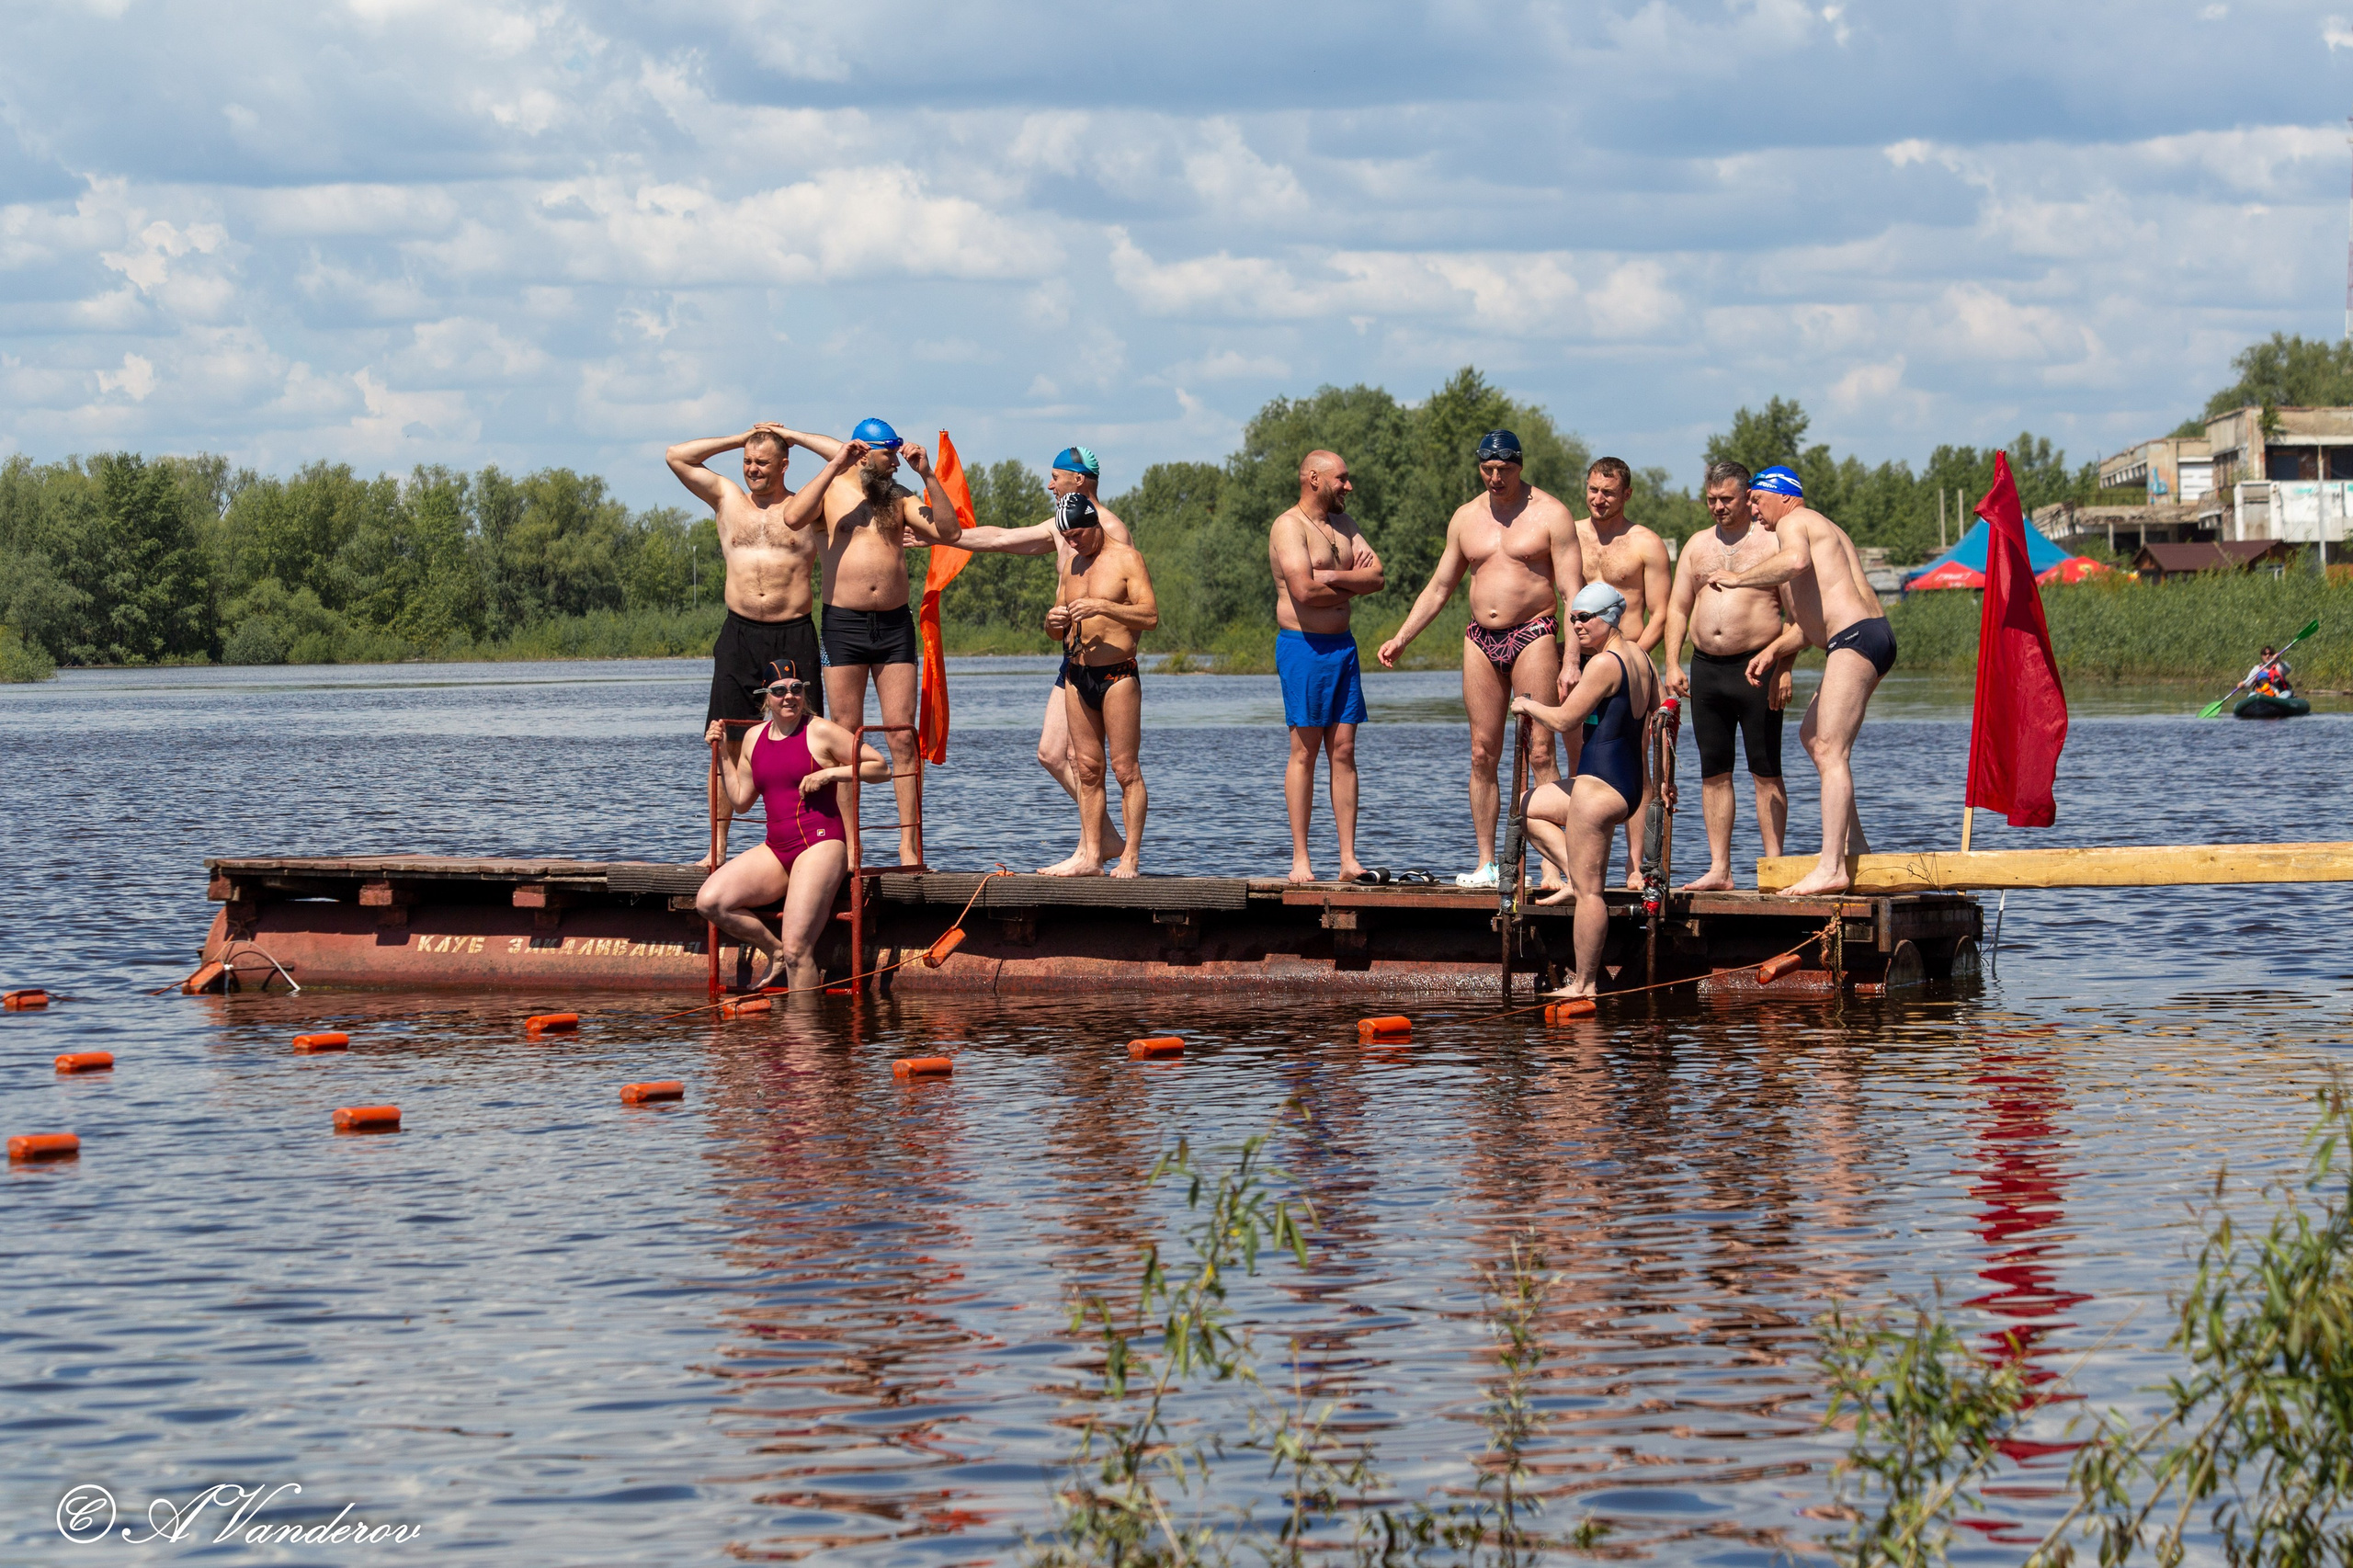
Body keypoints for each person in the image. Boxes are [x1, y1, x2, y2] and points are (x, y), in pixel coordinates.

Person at [1378, 429, 1583, 888]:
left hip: (1534, 632)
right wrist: (1402, 637)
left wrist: (1572, 659)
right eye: (1487, 469)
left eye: (1504, 469)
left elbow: (1572, 592)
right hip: (1480, 639)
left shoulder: (1552, 514)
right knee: (1481, 753)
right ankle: (1488, 863)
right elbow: (1439, 587)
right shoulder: (1465, 518)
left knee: (1541, 750)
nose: (1495, 478)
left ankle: (1553, 866)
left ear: (1520, 465)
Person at [779, 420, 965, 869]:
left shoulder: (899, 496)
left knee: (902, 736)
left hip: (894, 627)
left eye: (899, 455)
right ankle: (850, 847)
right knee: (845, 737)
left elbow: (949, 532)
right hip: (843, 626)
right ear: (865, 454)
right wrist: (834, 463)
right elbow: (792, 516)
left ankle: (909, 846)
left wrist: (927, 476)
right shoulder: (831, 491)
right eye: (890, 454)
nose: (896, 461)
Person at [1703, 465, 1894, 896]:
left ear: (1783, 495)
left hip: (1856, 638)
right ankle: (1856, 846)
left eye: (1756, 499)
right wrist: (1774, 651)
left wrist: (1737, 578)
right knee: (1814, 736)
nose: (1752, 510)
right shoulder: (1824, 528)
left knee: (1829, 748)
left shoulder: (1795, 522)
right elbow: (1811, 623)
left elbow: (1795, 561)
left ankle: (1831, 868)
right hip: (1867, 636)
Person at [950, 446, 1138, 874]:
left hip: (1106, 664)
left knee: (1096, 762)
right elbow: (998, 538)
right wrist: (941, 537)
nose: (1049, 484)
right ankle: (1102, 839)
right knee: (1053, 754)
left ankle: (1095, 850)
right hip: (1071, 656)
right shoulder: (1061, 525)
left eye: (1056, 477)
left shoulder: (1111, 531)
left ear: (1079, 480)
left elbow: (1134, 605)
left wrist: (1118, 660)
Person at [665, 420, 842, 869]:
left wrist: (797, 435)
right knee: (725, 740)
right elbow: (677, 456)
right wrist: (740, 437)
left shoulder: (811, 503)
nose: (752, 469)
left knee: (809, 739)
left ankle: (816, 840)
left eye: (762, 462)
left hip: (795, 631)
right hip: (739, 633)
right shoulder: (727, 498)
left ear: (784, 464)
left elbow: (848, 459)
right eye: (747, 461)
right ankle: (719, 844)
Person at [695, 659, 888, 994]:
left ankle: (804, 1037)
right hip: (777, 848)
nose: (789, 697)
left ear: (804, 694)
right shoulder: (754, 738)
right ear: (766, 697)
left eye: (797, 689)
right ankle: (774, 950)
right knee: (710, 901)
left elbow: (880, 767)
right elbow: (740, 801)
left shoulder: (820, 730)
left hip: (822, 845)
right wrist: (724, 753)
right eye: (780, 691)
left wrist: (830, 773)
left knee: (800, 948)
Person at [1506, 583, 1659, 999]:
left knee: (1592, 894)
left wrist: (1526, 705)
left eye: (1585, 617)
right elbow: (1659, 716)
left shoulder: (1606, 664)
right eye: (1572, 618)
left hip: (1599, 789)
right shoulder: (1643, 657)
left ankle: (1585, 983)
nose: (1576, 626)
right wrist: (1664, 783)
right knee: (1528, 808)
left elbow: (1564, 720)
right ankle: (1572, 873)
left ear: (1609, 617)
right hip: (1619, 782)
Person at [1660, 460, 1807, 890]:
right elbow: (1677, 608)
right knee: (1714, 770)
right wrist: (1672, 662)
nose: (1718, 507)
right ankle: (1719, 870)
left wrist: (1785, 667)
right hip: (1707, 669)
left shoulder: (1773, 542)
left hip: (1757, 669)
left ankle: (1774, 867)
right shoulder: (1697, 545)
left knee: (1765, 768)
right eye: (1711, 500)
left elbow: (1798, 620)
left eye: (1726, 499)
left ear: (1748, 497)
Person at [1270, 449, 1385, 882]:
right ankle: (1301, 859)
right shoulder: (1288, 526)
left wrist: (1333, 578)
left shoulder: (1345, 525)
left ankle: (1348, 860)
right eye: (1342, 479)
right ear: (1315, 479)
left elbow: (1378, 577)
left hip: (1343, 647)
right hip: (1303, 649)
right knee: (1305, 752)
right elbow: (1303, 591)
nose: (1348, 486)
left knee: (1345, 751)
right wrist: (1349, 582)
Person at [1043, 493, 1157, 878]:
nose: (1071, 543)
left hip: (1118, 676)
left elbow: (1151, 616)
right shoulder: (1073, 565)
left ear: (1093, 525)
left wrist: (1103, 607)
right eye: (1066, 537)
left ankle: (1131, 858)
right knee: (1088, 769)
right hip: (1078, 675)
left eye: (1076, 534)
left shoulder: (1127, 559)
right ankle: (1092, 857)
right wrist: (1053, 620)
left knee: (1125, 769)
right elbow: (1051, 631)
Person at [1575, 456, 1673, 887]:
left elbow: (1661, 613)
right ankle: (1586, 868)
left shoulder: (1644, 542)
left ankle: (1638, 867)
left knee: (1638, 767)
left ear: (1627, 494)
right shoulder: (1571, 536)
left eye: (1609, 492)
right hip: (1580, 665)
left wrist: (1627, 658)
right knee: (1586, 768)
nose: (1599, 499)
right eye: (1594, 490)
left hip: (1629, 661)